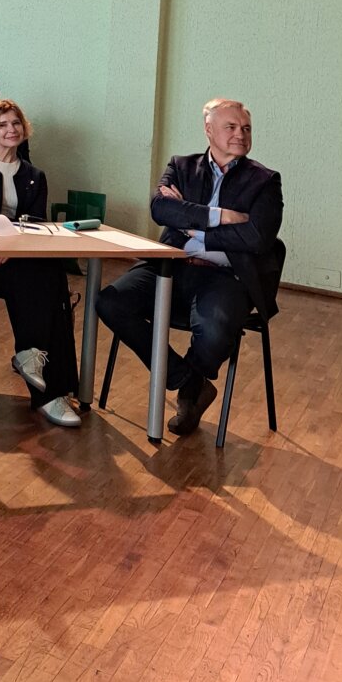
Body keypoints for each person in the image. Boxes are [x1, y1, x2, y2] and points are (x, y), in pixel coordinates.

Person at [98, 98, 283, 436]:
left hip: (225, 275)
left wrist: (193, 227)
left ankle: (190, 392)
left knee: (216, 328)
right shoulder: (181, 166)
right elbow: (160, 210)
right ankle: (188, 381)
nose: (241, 134)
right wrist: (220, 216)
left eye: (246, 128)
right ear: (208, 130)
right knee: (110, 301)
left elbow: (257, 237)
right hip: (172, 265)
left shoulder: (265, 181)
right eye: (231, 127)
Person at [0, 99, 82, 427]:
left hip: (14, 255)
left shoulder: (35, 175)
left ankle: (41, 372)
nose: (12, 130)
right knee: (35, 276)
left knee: (52, 274)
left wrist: (11, 245)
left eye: (16, 123)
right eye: (3, 124)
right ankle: (43, 380)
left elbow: (34, 224)